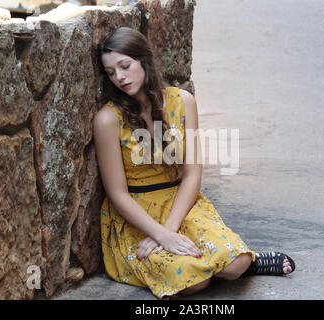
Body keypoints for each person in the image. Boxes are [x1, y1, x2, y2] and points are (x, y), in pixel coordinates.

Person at [93, 26, 295, 299]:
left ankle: (244, 262)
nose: (119, 77)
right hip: (136, 217)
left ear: (144, 60)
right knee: (191, 280)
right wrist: (160, 236)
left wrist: (169, 231)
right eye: (110, 72)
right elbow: (117, 194)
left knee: (237, 263)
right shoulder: (108, 119)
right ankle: (213, 267)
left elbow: (191, 174)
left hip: (182, 203)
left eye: (125, 66)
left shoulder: (182, 102)